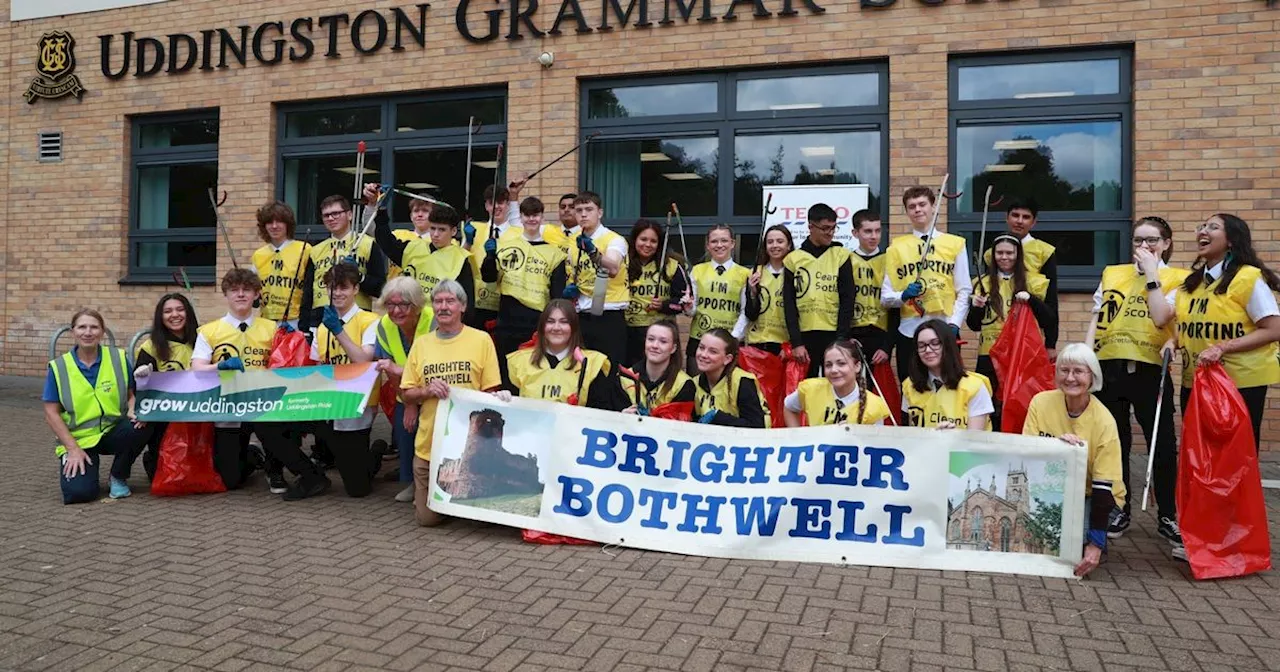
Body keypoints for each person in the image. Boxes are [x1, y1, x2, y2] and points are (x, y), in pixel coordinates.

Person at [1085, 216, 1186, 544]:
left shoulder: (1181, 279)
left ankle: (1168, 513)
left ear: (1166, 243)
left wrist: (1153, 275)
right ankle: (1119, 507)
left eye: (1152, 240)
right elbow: (1098, 316)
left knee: (1163, 445)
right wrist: (1086, 359)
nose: (1144, 247)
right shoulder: (1113, 273)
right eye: (1139, 241)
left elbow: (1161, 317)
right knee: (1116, 442)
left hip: (1150, 369)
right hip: (1110, 367)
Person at [1147, 213, 1280, 452]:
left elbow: (1273, 329)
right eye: (1201, 226)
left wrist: (1222, 348)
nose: (1203, 231)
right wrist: (1173, 340)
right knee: (1200, 452)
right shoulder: (1191, 283)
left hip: (1239, 383)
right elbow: (1188, 321)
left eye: (1213, 227)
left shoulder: (1248, 278)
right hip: (1197, 380)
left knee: (1234, 455)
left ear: (1231, 240)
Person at [190, 268, 304, 497]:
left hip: (264, 404)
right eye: (234, 290)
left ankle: (275, 470)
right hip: (228, 405)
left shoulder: (272, 328)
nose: (240, 294)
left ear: (256, 294)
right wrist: (219, 366)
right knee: (231, 480)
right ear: (226, 295)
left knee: (281, 427)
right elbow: (197, 368)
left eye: (247, 290)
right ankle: (252, 457)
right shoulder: (209, 331)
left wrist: (292, 339)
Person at [400, 280, 504, 527]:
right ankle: (441, 499)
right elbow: (406, 394)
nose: (443, 307)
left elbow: (491, 390)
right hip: (429, 445)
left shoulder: (481, 340)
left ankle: (457, 499)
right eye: (438, 301)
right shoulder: (422, 343)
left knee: (479, 519)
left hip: (468, 447)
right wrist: (426, 390)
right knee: (427, 520)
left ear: (463, 307)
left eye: (450, 301)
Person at [1022, 344, 1129, 576]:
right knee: (1043, 539)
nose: (1070, 378)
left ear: (1092, 377)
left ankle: (1093, 534)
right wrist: (1057, 450)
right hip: (1055, 488)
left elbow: (1104, 487)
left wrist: (1096, 544)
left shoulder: (1104, 421)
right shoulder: (1040, 403)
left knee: (1071, 546)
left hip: (1095, 494)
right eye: (1064, 370)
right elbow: (1027, 454)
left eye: (1078, 371)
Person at [44, 309, 155, 504]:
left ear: (102, 332)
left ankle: (118, 475)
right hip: (80, 440)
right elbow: (51, 413)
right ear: (73, 332)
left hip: (113, 431)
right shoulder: (59, 367)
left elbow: (130, 395)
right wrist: (72, 449)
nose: (88, 332)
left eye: (94, 327)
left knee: (143, 423)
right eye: (82, 327)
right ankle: (83, 470)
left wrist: (132, 409)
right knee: (80, 494)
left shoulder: (118, 358)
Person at [883, 187, 973, 381]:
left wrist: (954, 324)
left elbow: (964, 289)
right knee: (911, 388)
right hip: (909, 332)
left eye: (922, 204)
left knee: (948, 385)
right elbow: (886, 297)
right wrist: (902, 296)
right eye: (912, 206)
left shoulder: (955, 244)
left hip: (944, 328)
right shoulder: (896, 247)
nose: (918, 209)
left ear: (933, 207)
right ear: (906, 212)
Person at [308, 263, 382, 498]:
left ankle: (376, 452)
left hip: (358, 403)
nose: (337, 293)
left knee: (357, 489)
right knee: (344, 464)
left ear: (355, 289)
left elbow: (362, 360)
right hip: (331, 403)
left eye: (343, 288)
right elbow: (318, 367)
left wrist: (338, 331)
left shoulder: (370, 320)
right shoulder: (322, 326)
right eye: (332, 288)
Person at [965, 235, 1052, 430]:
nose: (1004, 257)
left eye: (1009, 253)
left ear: (1018, 255)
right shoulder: (982, 283)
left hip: (1019, 354)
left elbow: (1048, 318)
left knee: (1017, 402)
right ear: (993, 256)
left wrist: (1031, 299)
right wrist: (977, 307)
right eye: (1000, 253)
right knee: (990, 404)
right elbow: (974, 325)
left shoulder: (1032, 281)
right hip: (989, 353)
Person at [482, 196, 570, 382]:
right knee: (506, 374)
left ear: (542, 217)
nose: (532, 219)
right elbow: (488, 278)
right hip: (507, 320)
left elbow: (557, 296)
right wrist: (489, 257)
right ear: (520, 217)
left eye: (535, 215)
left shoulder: (555, 254)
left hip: (536, 322)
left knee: (533, 372)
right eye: (527, 215)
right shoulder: (504, 246)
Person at [370, 185, 475, 325]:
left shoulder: (460, 259)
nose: (436, 234)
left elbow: (466, 304)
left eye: (442, 230)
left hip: (438, 324)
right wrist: (382, 211)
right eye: (433, 228)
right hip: (406, 319)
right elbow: (386, 242)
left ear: (454, 231)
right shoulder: (413, 247)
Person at [373, 277, 433, 503]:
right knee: (404, 426)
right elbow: (388, 369)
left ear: (416, 305)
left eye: (403, 305)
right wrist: (408, 403)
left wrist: (416, 396)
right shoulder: (385, 326)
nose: (396, 311)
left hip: (434, 389)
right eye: (390, 305)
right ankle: (412, 483)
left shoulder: (433, 321)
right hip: (405, 389)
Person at [506, 300, 626, 410]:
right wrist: (501, 397)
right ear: (542, 327)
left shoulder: (592, 363)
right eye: (550, 321)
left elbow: (601, 413)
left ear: (574, 328)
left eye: (564, 322)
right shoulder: (519, 361)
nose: (556, 328)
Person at [132, 293, 199, 480]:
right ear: (160, 317)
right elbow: (140, 387)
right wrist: (143, 410)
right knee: (163, 475)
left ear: (188, 313)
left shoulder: (203, 340)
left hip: (199, 411)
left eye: (180, 309)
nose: (174, 315)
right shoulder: (150, 347)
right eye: (167, 311)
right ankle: (151, 458)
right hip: (165, 415)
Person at [783, 204, 854, 377]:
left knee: (836, 383)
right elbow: (789, 304)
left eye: (833, 228)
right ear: (810, 227)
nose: (830, 232)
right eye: (825, 228)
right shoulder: (793, 259)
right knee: (809, 387)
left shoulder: (841, 255)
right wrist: (796, 342)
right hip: (805, 335)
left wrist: (842, 337)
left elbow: (848, 298)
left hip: (834, 333)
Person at [563, 191, 630, 368]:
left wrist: (593, 252)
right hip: (582, 314)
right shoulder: (573, 241)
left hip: (609, 313)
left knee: (610, 371)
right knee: (582, 370)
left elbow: (613, 268)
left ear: (599, 212)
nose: (583, 214)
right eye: (579, 210)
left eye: (589, 209)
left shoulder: (614, 239)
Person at [986, 198, 1060, 358]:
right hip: (996, 335)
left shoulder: (1044, 252)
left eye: (1026, 217)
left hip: (1029, 332)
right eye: (1015, 215)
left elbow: (1051, 300)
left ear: (1034, 222)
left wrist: (1050, 343)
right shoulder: (990, 253)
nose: (1019, 221)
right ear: (1007, 218)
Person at [302, 194, 388, 331]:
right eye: (326, 215)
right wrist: (304, 328)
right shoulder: (316, 250)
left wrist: (359, 276)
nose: (330, 218)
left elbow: (381, 288)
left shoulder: (367, 243)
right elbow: (307, 293)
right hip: (321, 317)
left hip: (358, 316)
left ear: (349, 215)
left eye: (336, 213)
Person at [901, 319, 993, 430]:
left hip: (959, 446)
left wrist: (951, 438)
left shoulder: (975, 386)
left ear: (948, 345)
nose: (928, 350)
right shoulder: (909, 385)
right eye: (921, 346)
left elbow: (974, 440)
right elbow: (909, 434)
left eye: (935, 343)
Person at [783, 339, 892, 427]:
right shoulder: (811, 389)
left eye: (841, 363)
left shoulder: (874, 405)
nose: (834, 370)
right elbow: (789, 407)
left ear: (857, 366)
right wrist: (799, 438)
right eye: (828, 365)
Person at [625, 219, 688, 366]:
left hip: (661, 333)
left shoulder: (671, 265)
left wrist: (664, 305)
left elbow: (685, 302)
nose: (647, 244)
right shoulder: (623, 263)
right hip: (629, 332)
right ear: (634, 240)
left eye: (653, 241)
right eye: (643, 239)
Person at [464, 183, 525, 331]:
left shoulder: (520, 233)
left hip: (507, 303)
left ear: (508, 205)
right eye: (492, 203)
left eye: (501, 202)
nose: (497, 207)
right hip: (478, 302)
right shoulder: (475, 229)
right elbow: (460, 261)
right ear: (486, 206)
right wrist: (467, 242)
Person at [688, 225, 749, 372]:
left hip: (729, 341)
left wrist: (733, 338)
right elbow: (692, 310)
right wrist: (688, 307)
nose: (719, 245)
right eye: (714, 241)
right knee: (696, 387)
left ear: (732, 244)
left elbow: (745, 311)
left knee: (727, 389)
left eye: (724, 241)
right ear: (708, 245)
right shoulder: (697, 270)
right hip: (699, 339)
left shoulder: (745, 274)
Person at [848, 209, 896, 369]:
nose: (874, 236)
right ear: (855, 233)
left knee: (877, 390)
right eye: (868, 231)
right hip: (853, 334)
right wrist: (845, 338)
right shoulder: (846, 261)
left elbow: (895, 308)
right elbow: (840, 302)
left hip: (880, 334)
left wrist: (887, 347)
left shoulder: (889, 261)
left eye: (877, 231)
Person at [692, 329, 769, 428]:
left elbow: (756, 427)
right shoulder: (694, 383)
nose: (703, 355)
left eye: (713, 351)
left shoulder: (743, 382)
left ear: (727, 359)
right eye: (701, 348)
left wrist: (718, 416)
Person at [251, 201, 310, 329]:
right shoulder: (258, 255)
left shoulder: (304, 249)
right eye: (269, 222)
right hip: (267, 321)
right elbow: (253, 292)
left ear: (288, 224)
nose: (274, 226)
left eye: (279, 221)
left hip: (296, 321)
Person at [619, 320, 696, 413]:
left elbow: (679, 425)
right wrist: (622, 416)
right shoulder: (625, 377)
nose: (655, 346)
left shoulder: (684, 384)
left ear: (673, 348)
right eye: (651, 339)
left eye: (663, 341)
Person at [743, 224, 793, 356]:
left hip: (785, 344)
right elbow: (750, 314)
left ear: (789, 245)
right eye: (770, 242)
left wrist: (791, 344)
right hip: (758, 343)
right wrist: (752, 292)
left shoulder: (796, 273)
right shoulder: (755, 273)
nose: (775, 245)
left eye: (780, 241)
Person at [386, 195, 434, 278]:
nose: (420, 214)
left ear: (435, 215)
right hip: (394, 288)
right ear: (411, 216)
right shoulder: (397, 235)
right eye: (416, 211)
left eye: (425, 211)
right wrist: (372, 205)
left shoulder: (441, 241)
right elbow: (373, 231)